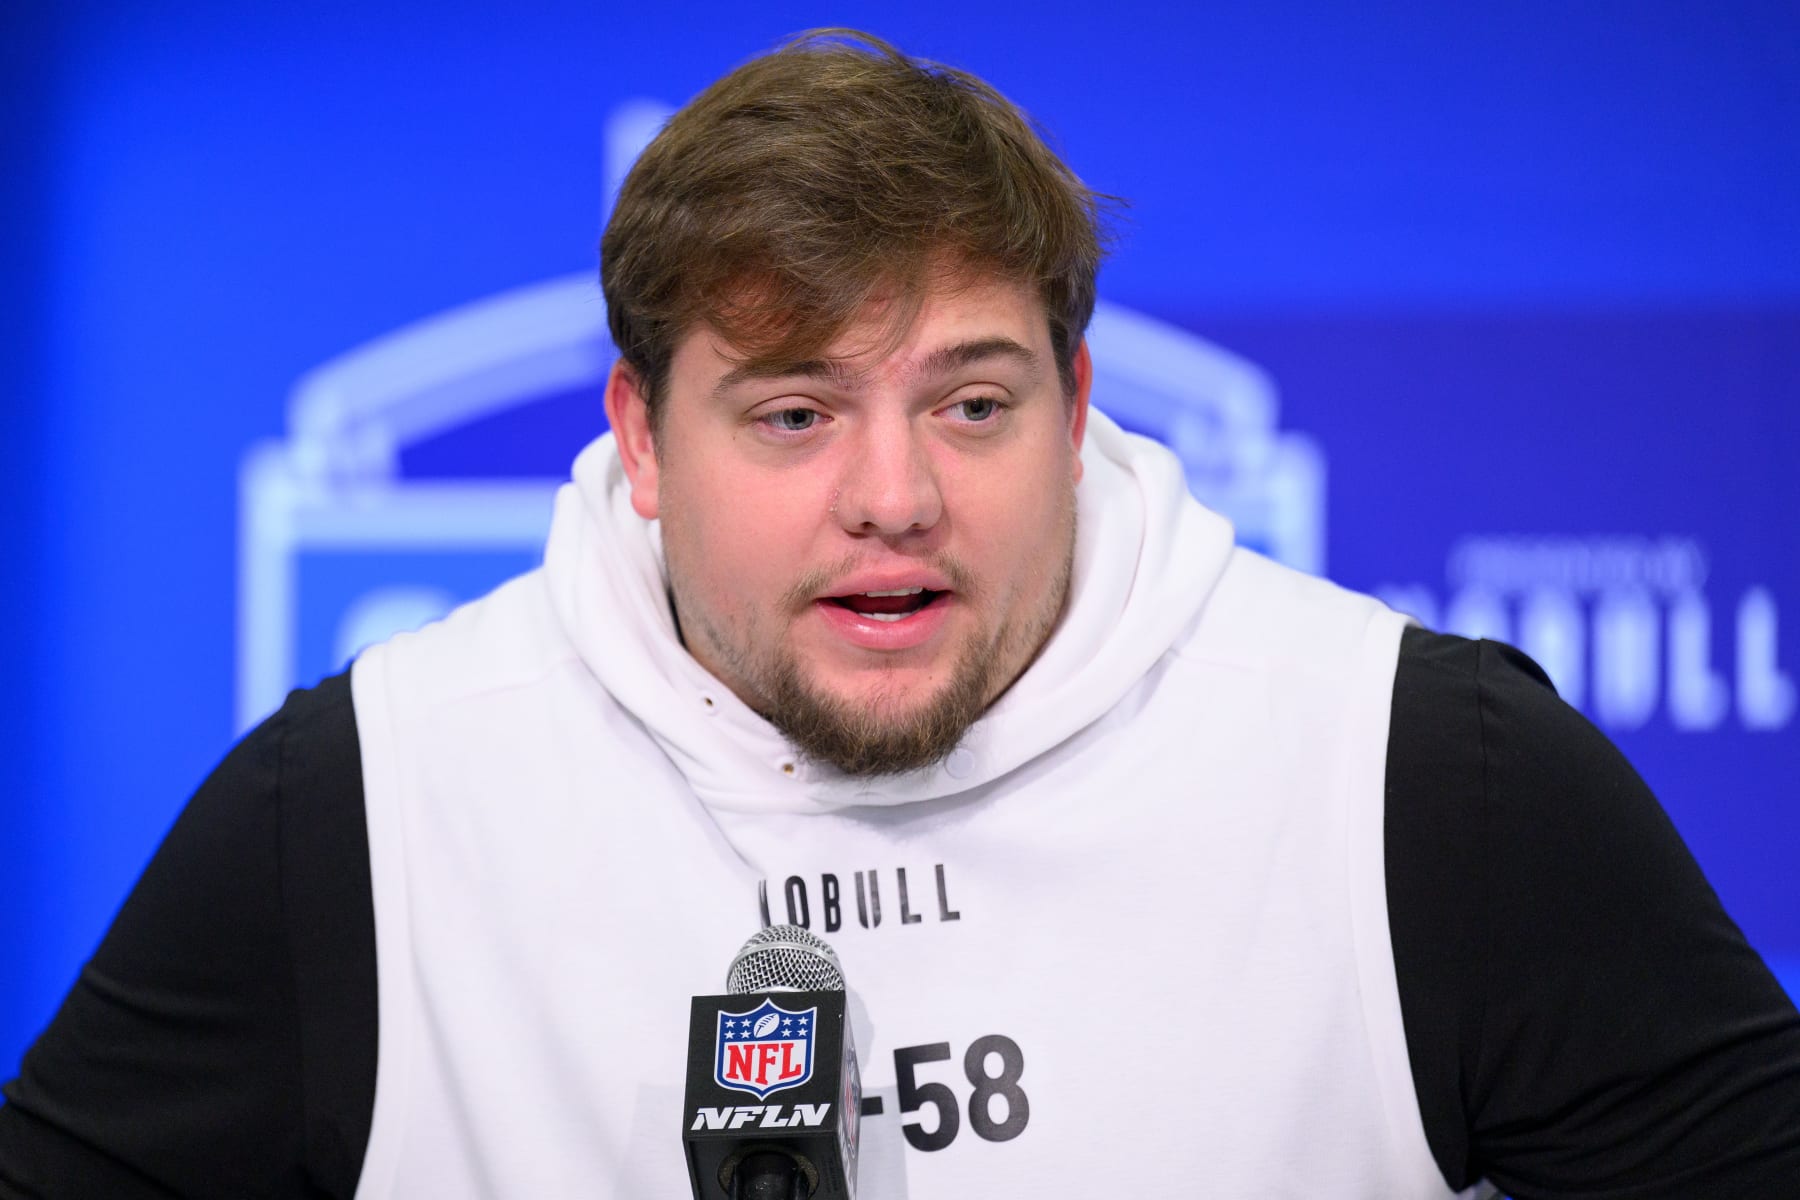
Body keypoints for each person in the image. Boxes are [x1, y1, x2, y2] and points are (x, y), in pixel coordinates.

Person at [3, 28, 1798, 1200]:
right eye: (793, 412)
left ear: (1079, 408)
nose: (894, 497)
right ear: (642, 436)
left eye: (971, 402)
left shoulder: (1416, 769)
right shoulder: (372, 802)